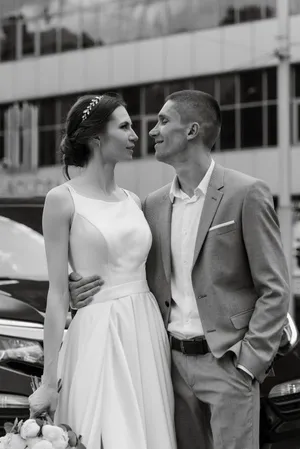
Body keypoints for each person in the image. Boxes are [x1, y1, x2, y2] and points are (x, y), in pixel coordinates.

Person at [69, 90, 291, 449]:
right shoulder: (152, 205)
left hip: (227, 364)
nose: (151, 131)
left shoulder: (246, 193)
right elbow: (128, 267)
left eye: (162, 121)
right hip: (168, 366)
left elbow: (276, 289)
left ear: (191, 131)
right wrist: (75, 286)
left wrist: (248, 363)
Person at [28, 93, 177, 449]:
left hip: (145, 330)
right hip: (98, 331)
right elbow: (57, 293)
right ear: (96, 137)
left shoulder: (134, 200)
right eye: (124, 127)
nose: (135, 135)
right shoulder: (61, 199)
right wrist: (49, 381)